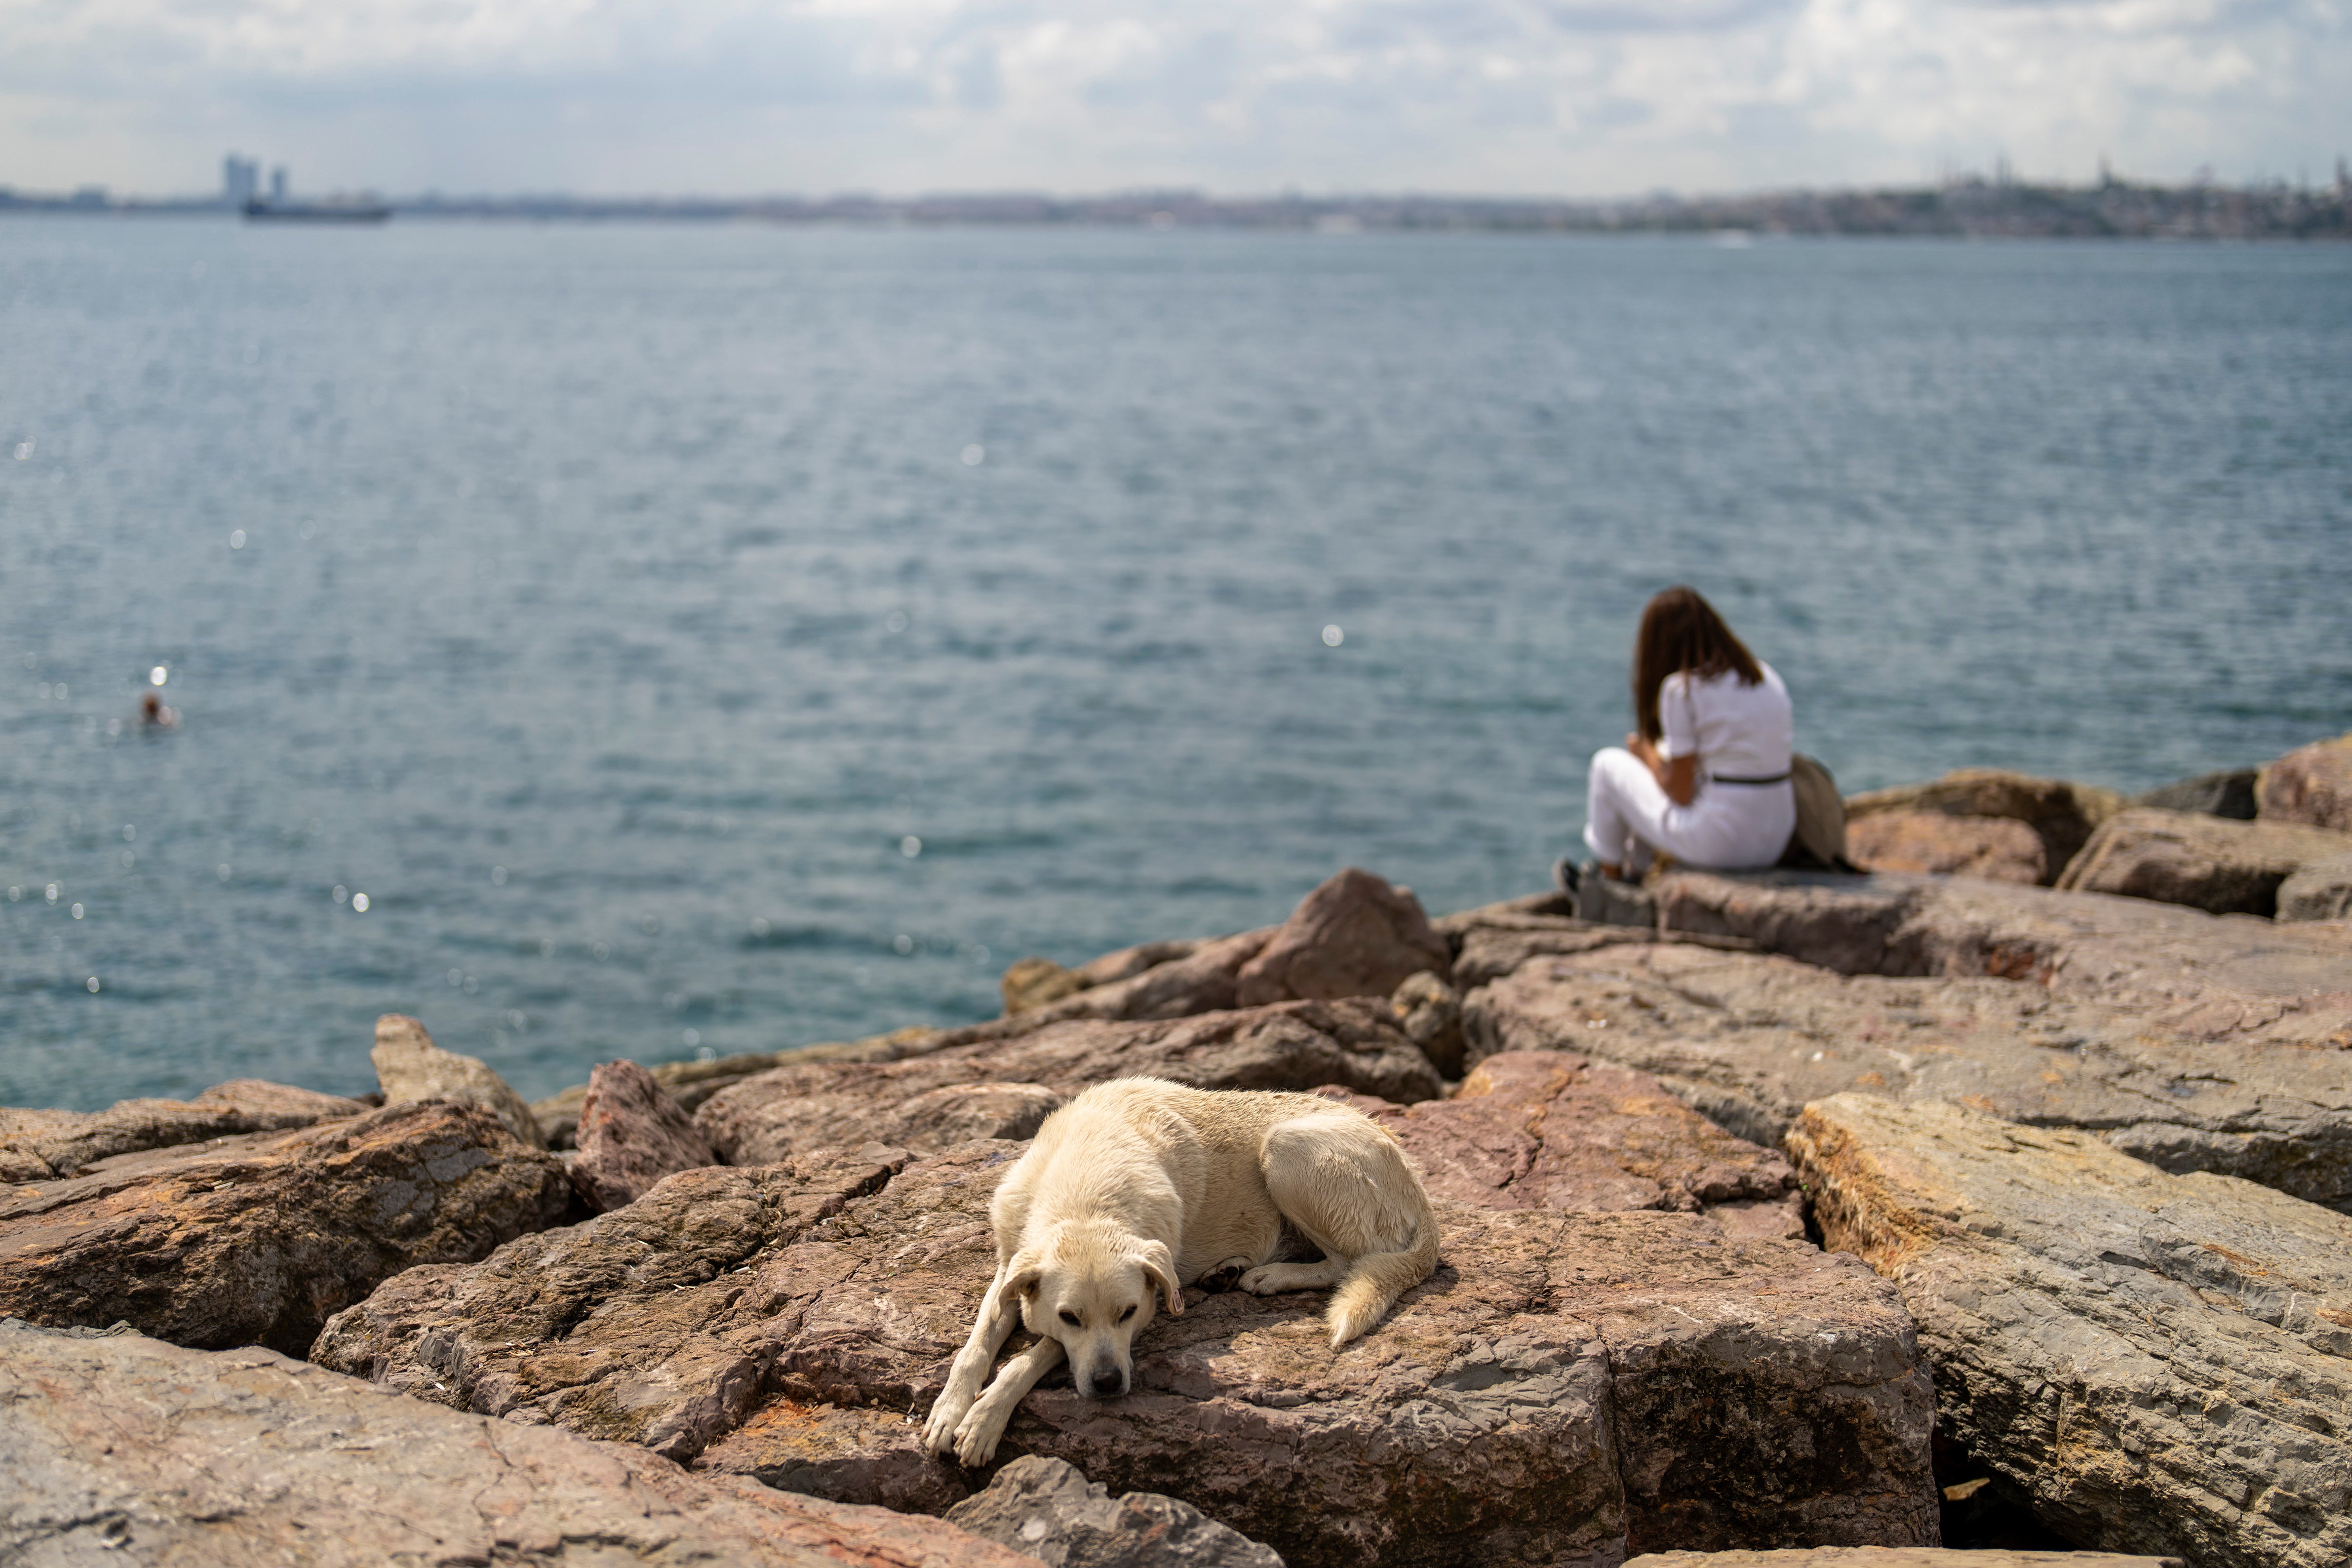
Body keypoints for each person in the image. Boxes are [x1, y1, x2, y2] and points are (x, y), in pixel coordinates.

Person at [1570, 586, 1794, 885]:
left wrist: (1645, 753)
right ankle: (1635, 872)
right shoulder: (1765, 675)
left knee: (1606, 765)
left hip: (1723, 844)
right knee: (1657, 771)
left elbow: (1680, 792)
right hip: (1776, 838)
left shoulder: (1682, 689)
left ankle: (1608, 885)